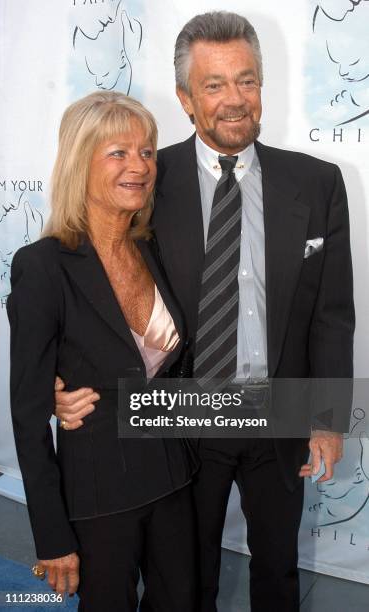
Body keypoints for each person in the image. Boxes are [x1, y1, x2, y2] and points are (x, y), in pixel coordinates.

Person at [55, 11, 355, 612]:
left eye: (247, 80)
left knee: (278, 576)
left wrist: (325, 417)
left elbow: (332, 312)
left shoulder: (317, 182)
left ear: (263, 88)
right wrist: (64, 383)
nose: (235, 100)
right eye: (214, 85)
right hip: (182, 420)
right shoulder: (144, 178)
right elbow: (94, 285)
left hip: (279, 416)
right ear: (186, 98)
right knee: (186, 585)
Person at [7, 91, 198, 612]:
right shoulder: (42, 267)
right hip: (98, 495)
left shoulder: (150, 247)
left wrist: (314, 412)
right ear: (79, 162)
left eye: (147, 151)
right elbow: (27, 416)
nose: (139, 166)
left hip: (173, 477)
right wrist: (52, 538)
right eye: (118, 152)